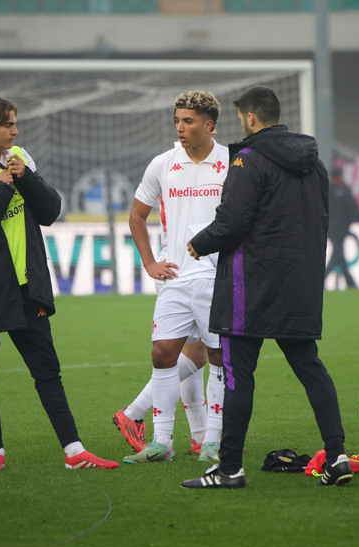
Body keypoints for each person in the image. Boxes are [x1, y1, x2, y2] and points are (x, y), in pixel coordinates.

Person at [0, 94, 117, 472]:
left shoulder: (21, 158)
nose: (15, 130)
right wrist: (1, 188)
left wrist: (25, 177)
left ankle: (74, 451)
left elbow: (51, 211)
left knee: (47, 370)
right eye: (8, 125)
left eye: (15, 123)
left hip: (26, 287)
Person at [183, 86, 351, 489]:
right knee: (311, 368)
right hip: (301, 284)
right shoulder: (316, 165)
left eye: (241, 117)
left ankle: (230, 469)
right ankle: (339, 456)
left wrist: (198, 243)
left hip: (251, 285)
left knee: (239, 375)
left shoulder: (247, 160)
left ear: (250, 119)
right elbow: (321, 223)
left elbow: (234, 221)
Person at [116, 90, 228, 465]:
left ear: (209, 125)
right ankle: (162, 442)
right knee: (163, 353)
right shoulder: (163, 164)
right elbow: (136, 216)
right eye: (177, 120)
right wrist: (150, 264)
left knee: (217, 356)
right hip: (174, 277)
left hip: (217, 277)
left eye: (188, 121)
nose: (179, 128)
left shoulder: (232, 162)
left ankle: (212, 440)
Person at [325, 166, 359, 289]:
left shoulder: (327, 189)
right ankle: (350, 283)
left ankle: (350, 283)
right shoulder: (343, 189)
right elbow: (353, 208)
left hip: (330, 228)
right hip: (340, 229)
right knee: (337, 254)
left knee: (338, 254)